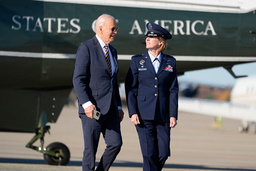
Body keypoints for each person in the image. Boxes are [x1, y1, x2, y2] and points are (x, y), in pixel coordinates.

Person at [73, 14, 124, 171]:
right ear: (100, 28)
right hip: (92, 109)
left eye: (116, 28)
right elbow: (78, 79)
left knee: (115, 143)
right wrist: (86, 104)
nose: (115, 31)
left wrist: (120, 107)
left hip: (111, 110)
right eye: (113, 28)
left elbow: (113, 83)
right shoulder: (86, 48)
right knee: (90, 150)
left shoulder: (113, 51)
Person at [125, 22, 179, 171]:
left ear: (160, 41)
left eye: (151, 37)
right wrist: (133, 111)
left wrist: (173, 114)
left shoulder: (170, 62)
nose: (147, 39)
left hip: (163, 115)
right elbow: (130, 87)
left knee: (163, 153)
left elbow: (173, 89)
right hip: (143, 114)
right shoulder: (137, 61)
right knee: (149, 154)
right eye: (147, 37)